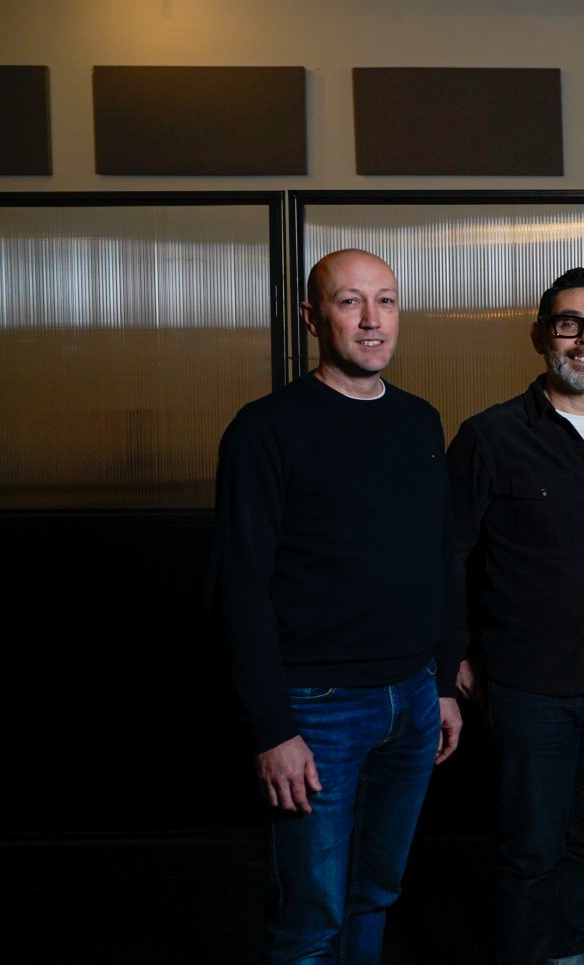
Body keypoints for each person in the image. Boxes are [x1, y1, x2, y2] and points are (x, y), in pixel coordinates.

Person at [210, 248, 463, 964]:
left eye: (385, 300)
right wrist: (272, 728)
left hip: (412, 701)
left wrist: (442, 684)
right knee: (311, 913)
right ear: (312, 319)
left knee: (376, 891)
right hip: (316, 709)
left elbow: (440, 560)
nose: (372, 319)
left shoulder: (420, 422)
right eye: (350, 302)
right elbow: (239, 585)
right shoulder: (266, 429)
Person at [446, 267, 584, 965]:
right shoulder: (489, 437)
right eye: (569, 324)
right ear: (540, 335)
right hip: (529, 689)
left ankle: (569, 954)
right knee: (529, 849)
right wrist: (457, 658)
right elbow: (450, 559)